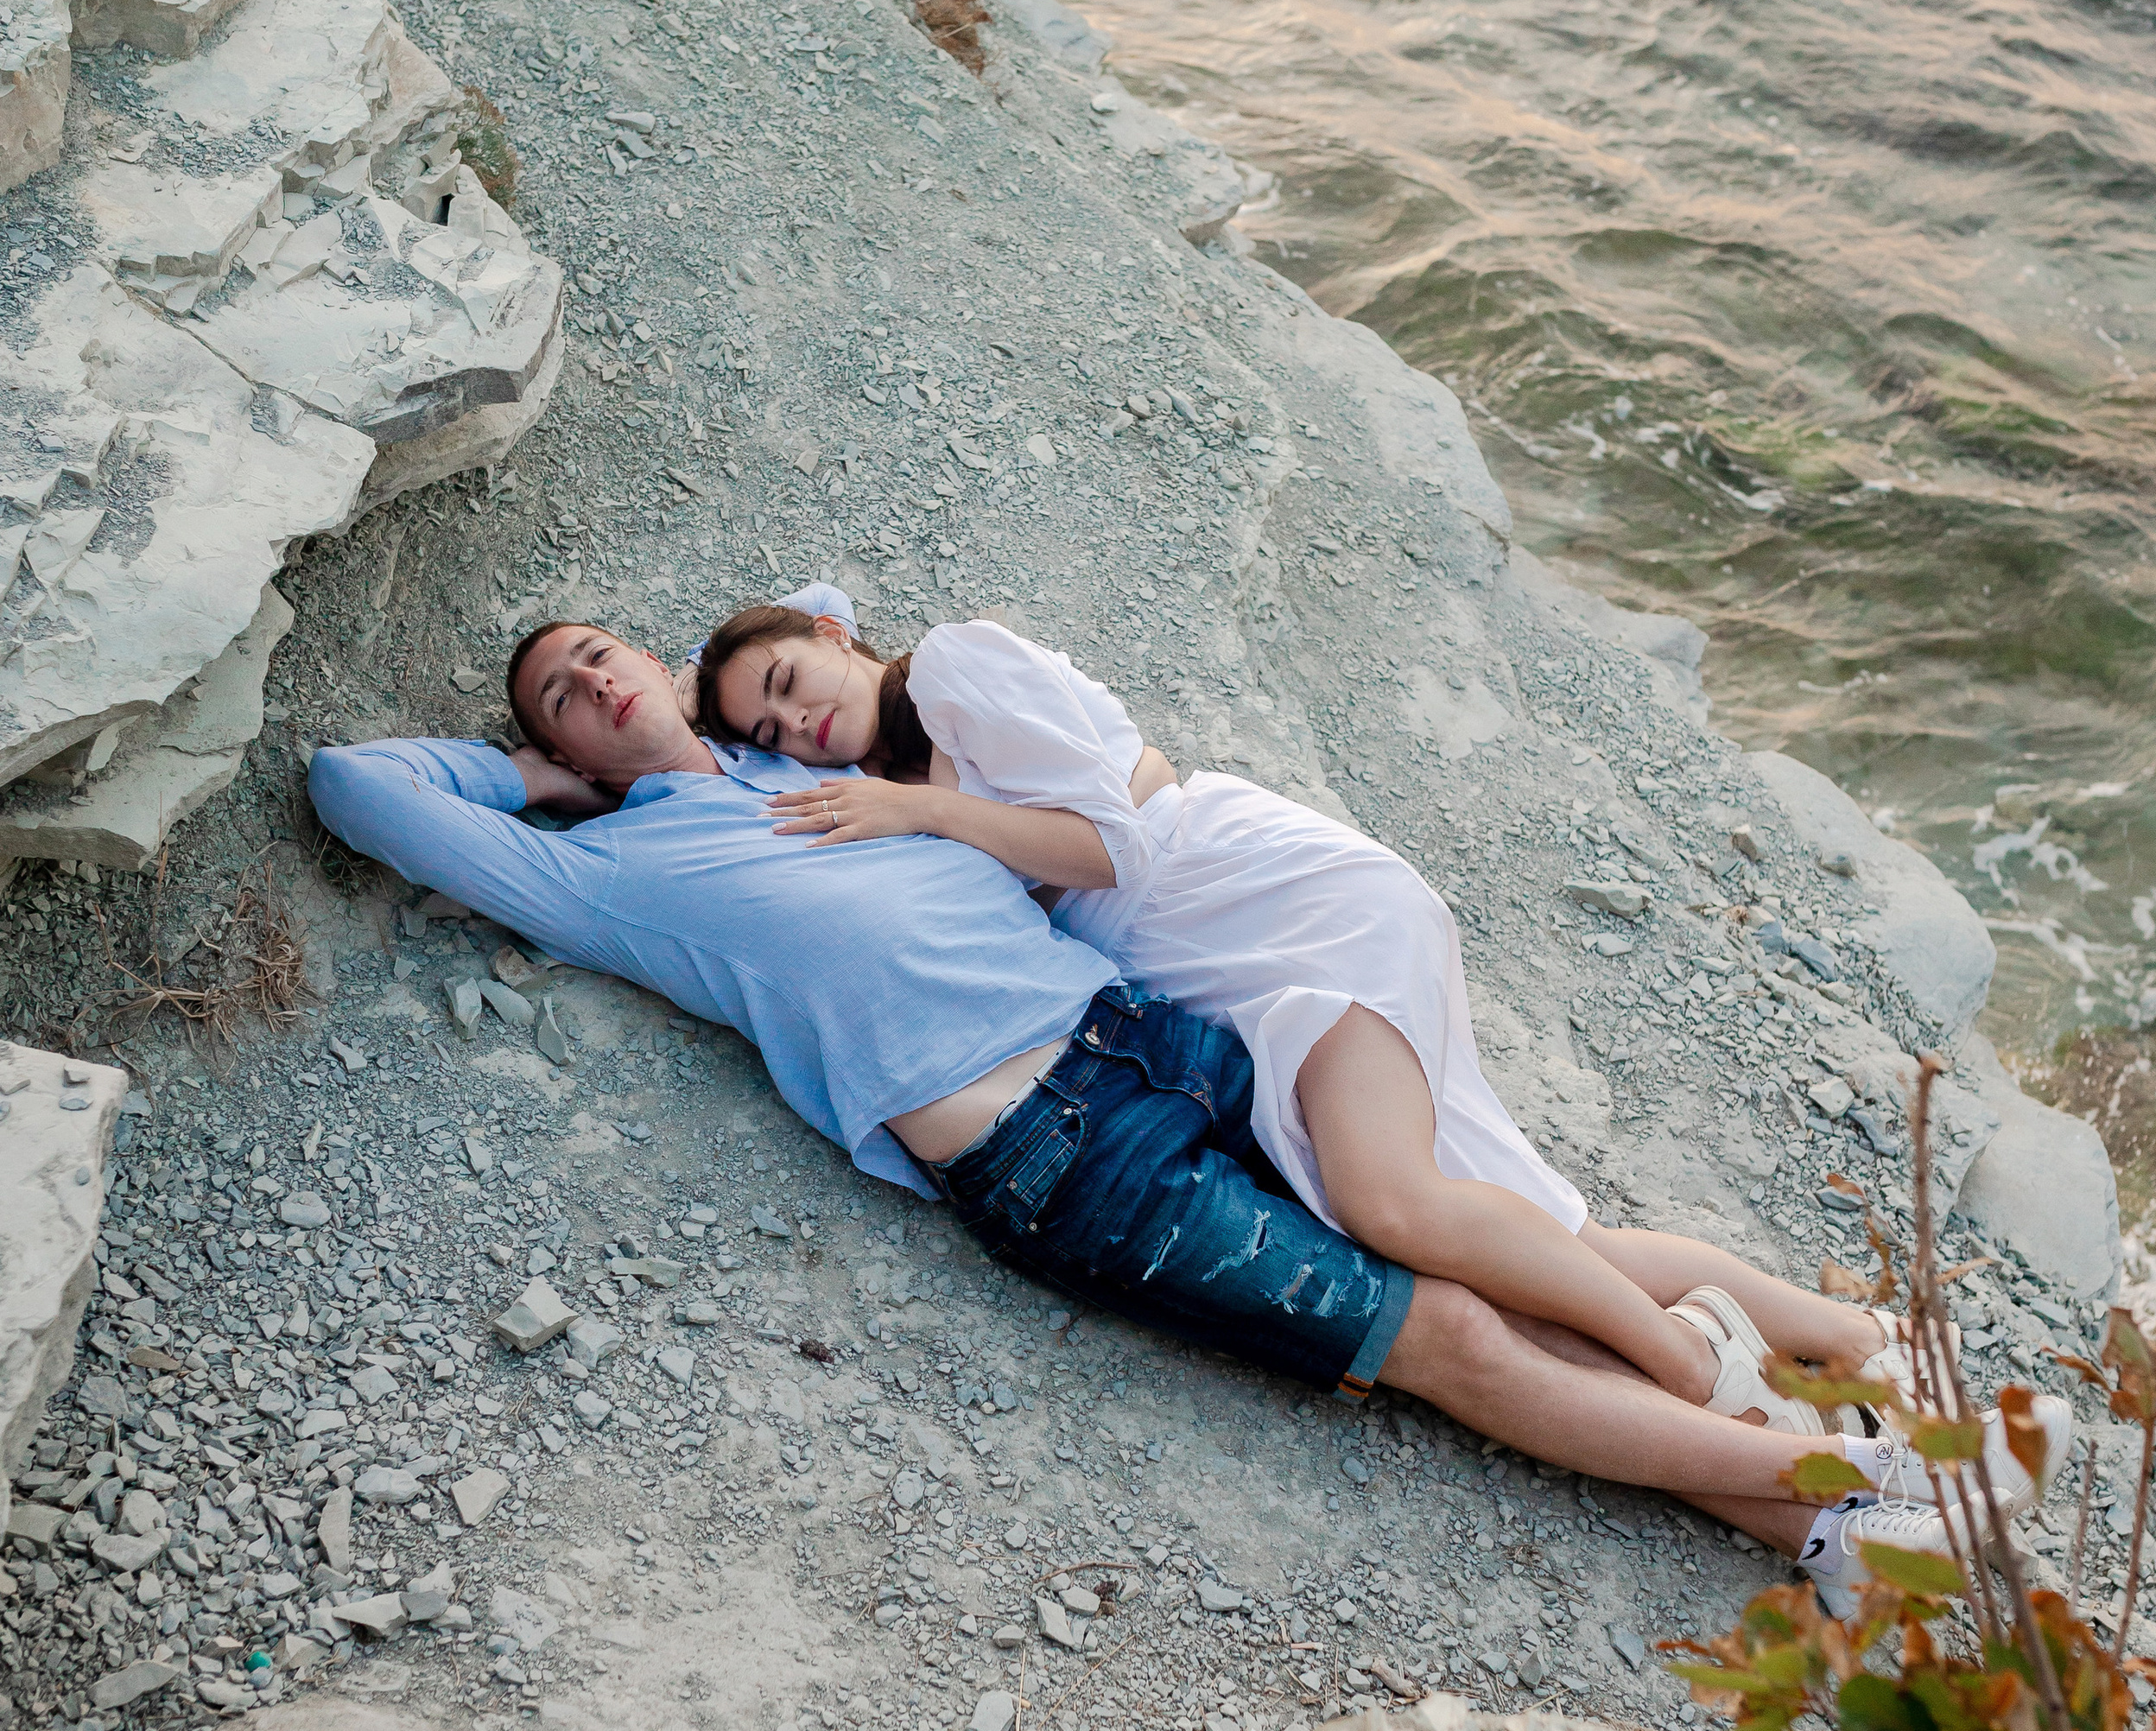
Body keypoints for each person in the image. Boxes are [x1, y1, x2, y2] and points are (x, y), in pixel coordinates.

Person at [307, 615, 2034, 1608]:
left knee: (1467, 1232)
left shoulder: (810, 768)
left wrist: (800, 754)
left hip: (1156, 1036)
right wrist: (535, 781)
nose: (589, 684)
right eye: (558, 696)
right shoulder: (613, 870)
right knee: (1443, 1336)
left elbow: (1013, 793)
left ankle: (1827, 1497)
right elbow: (354, 789)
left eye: (600, 658)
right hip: (1064, 1156)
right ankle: (1838, 1483)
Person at [687, 593, 1972, 1445]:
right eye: (773, 727)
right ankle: (1863, 1343)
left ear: (832, 631)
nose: (798, 722)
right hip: (1224, 986)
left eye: (793, 678)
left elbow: (1114, 841)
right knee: (1521, 1225)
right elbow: (712, 788)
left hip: (1266, 905)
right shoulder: (865, 783)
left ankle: (1697, 1375)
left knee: (1392, 1203)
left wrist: (926, 814)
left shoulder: (959, 669)